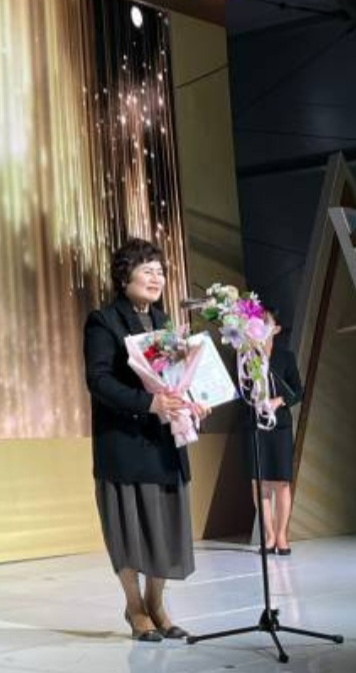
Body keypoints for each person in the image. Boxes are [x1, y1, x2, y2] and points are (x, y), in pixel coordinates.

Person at [83, 238, 210, 642]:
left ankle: (157, 604)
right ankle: (135, 607)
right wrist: (149, 403)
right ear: (125, 278)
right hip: (124, 441)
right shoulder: (104, 321)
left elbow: (176, 379)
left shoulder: (165, 322)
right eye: (147, 270)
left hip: (165, 441)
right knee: (129, 528)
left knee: (166, 527)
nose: (157, 278)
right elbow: (98, 380)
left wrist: (192, 401)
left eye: (160, 271)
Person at [245, 308, 302, 556]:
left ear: (276, 329)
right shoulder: (246, 357)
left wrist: (279, 401)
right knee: (260, 482)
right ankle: (268, 536)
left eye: (265, 322)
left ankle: (281, 536)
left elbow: (298, 391)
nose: (260, 325)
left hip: (280, 426)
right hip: (256, 425)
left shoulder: (285, 357)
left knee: (282, 482)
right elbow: (241, 390)